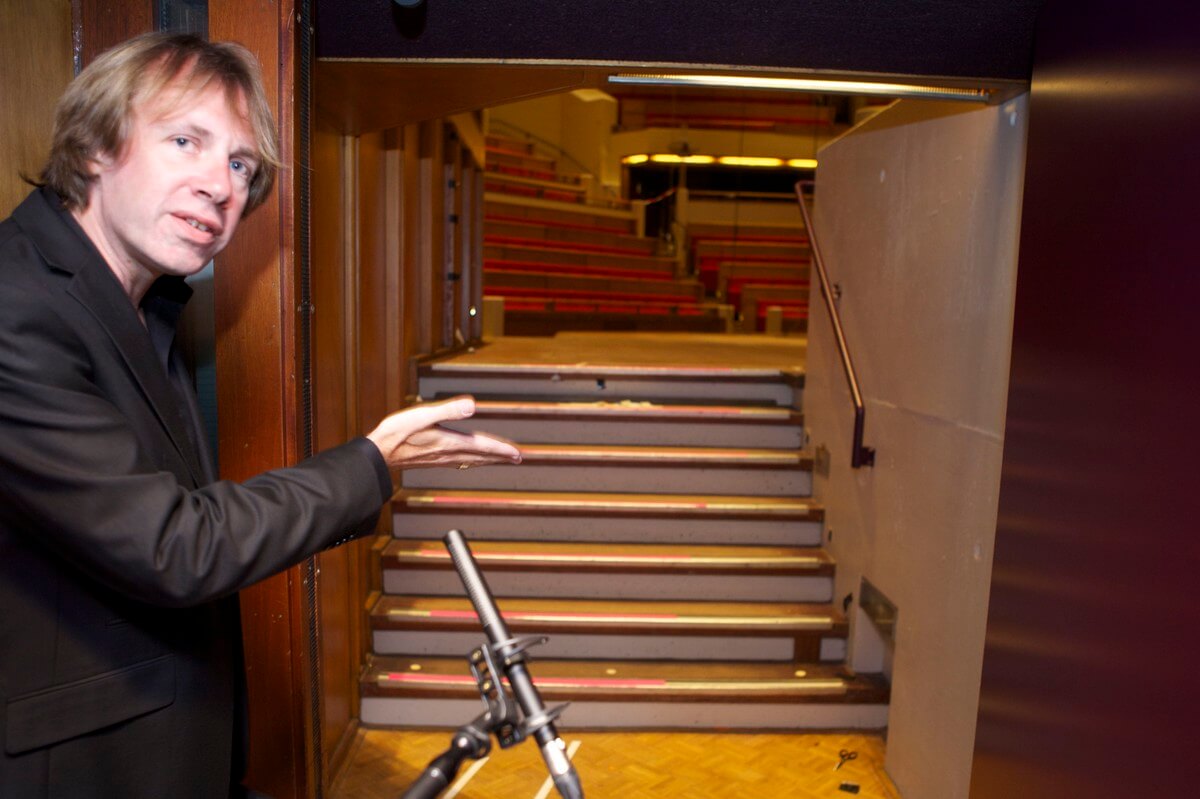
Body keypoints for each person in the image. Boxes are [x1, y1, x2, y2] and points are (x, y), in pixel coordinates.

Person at [0, 32, 520, 797]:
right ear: (94, 150)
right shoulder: (18, 307)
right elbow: (175, 547)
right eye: (187, 141)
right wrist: (371, 461)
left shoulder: (137, 305)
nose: (222, 186)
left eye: (241, 164)